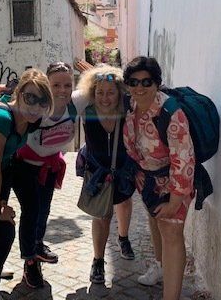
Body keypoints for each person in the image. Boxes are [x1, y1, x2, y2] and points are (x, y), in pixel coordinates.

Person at [122, 56, 195, 300]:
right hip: (148, 180)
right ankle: (160, 266)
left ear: (157, 83)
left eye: (146, 82)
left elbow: (183, 161)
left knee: (172, 234)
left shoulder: (170, 113)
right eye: (133, 82)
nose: (139, 88)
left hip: (175, 181)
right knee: (156, 222)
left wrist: (175, 201)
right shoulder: (131, 106)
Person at [0, 68, 53, 300]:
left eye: (42, 100)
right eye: (30, 97)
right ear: (19, 93)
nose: (35, 106)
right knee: (3, 229)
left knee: (0, 228)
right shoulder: (2, 119)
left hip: (5, 168)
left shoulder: (31, 120)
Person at [12, 61, 84, 288]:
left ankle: (38, 244)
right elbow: (7, 106)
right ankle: (29, 262)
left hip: (50, 166)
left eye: (67, 85)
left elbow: (100, 85)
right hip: (24, 166)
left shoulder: (76, 103)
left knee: (43, 210)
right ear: (46, 85)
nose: (62, 90)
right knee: (31, 211)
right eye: (55, 85)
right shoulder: (38, 105)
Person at [76, 65, 137, 284]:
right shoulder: (87, 108)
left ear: (119, 92)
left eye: (110, 92)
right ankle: (98, 261)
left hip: (123, 168)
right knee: (102, 215)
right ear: (93, 92)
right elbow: (61, 101)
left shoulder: (128, 109)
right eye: (100, 92)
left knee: (124, 201)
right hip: (96, 170)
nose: (105, 97)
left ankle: (123, 238)